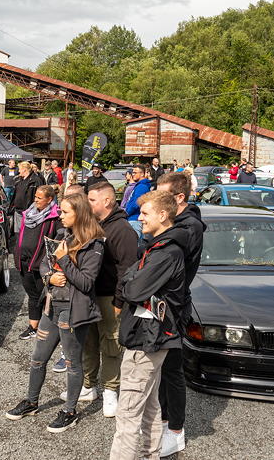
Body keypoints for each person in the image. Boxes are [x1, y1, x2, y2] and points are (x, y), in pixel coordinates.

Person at [6, 193, 105, 433]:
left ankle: (70, 411)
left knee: (72, 363)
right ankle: (31, 402)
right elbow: (43, 263)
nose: (60, 216)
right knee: (37, 358)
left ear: (79, 214)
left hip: (73, 311)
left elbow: (86, 282)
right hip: (51, 307)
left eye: (65, 212)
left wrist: (64, 263)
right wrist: (50, 276)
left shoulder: (95, 243)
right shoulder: (63, 235)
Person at [109, 190, 185, 460]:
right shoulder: (157, 247)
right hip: (150, 337)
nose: (139, 217)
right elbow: (132, 278)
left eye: (145, 213)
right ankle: (149, 454)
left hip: (148, 339)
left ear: (163, 215)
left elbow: (132, 289)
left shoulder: (166, 253)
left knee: (128, 412)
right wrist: (133, 280)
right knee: (151, 405)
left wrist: (132, 281)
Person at [58, 181, 137, 418]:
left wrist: (119, 302)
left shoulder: (122, 230)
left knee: (110, 344)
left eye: (91, 200)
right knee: (88, 342)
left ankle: (111, 391)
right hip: (85, 294)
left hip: (108, 296)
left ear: (107, 201)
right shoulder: (89, 225)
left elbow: (127, 270)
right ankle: (89, 386)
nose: (87, 203)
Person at [155, 172, 206, 457]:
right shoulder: (176, 222)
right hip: (162, 305)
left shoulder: (189, 227)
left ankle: (176, 431)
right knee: (163, 369)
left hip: (173, 308)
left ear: (179, 198)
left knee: (173, 370)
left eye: (163, 197)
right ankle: (163, 421)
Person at [15, 185, 62, 340]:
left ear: (49, 199)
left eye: (39, 198)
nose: (35, 200)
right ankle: (33, 327)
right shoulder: (29, 214)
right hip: (24, 261)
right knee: (32, 295)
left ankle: (48, 328)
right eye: (35, 197)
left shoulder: (55, 217)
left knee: (45, 296)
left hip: (41, 265)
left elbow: (58, 242)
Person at [13, 161, 44, 234]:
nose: (19, 171)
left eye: (20, 169)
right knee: (18, 234)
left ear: (24, 170)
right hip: (18, 212)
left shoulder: (36, 181)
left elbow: (40, 197)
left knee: (27, 233)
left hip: (29, 213)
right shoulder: (19, 180)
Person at [122, 165, 152, 239]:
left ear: (142, 174)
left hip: (135, 219)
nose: (133, 174)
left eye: (135, 172)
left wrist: (126, 213)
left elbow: (137, 203)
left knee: (134, 245)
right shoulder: (139, 186)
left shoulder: (141, 187)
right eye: (132, 172)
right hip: (134, 219)